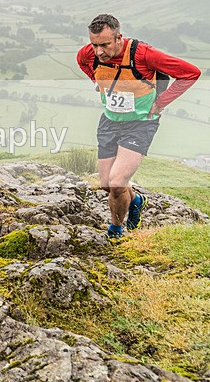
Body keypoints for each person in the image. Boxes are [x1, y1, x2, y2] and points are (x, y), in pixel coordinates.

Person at [77, 14, 201, 239]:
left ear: (119, 38)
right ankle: (136, 200)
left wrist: (161, 103)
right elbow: (82, 60)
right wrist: (97, 81)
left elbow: (191, 73)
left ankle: (116, 229)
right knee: (106, 184)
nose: (99, 52)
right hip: (110, 121)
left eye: (105, 45)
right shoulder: (90, 53)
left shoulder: (143, 54)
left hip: (140, 123)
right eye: (94, 45)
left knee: (117, 182)